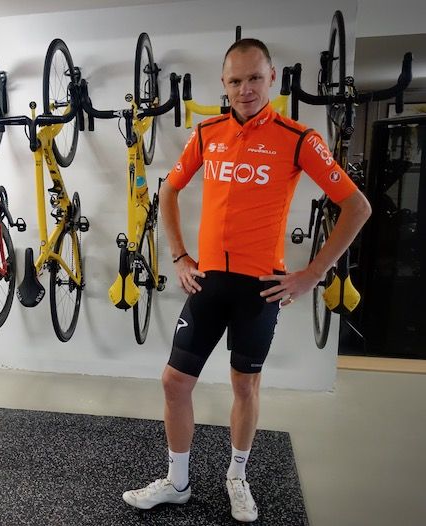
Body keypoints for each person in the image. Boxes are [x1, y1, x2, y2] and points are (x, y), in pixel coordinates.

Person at [121, 38, 371, 522]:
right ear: (224, 83)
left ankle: (237, 476)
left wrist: (313, 274)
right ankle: (177, 482)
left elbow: (356, 207)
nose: (246, 89)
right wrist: (178, 255)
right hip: (209, 281)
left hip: (260, 288)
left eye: (255, 78)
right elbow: (168, 190)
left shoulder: (298, 138)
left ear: (271, 78)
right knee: (174, 382)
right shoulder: (207, 132)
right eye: (235, 80)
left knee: (244, 385)